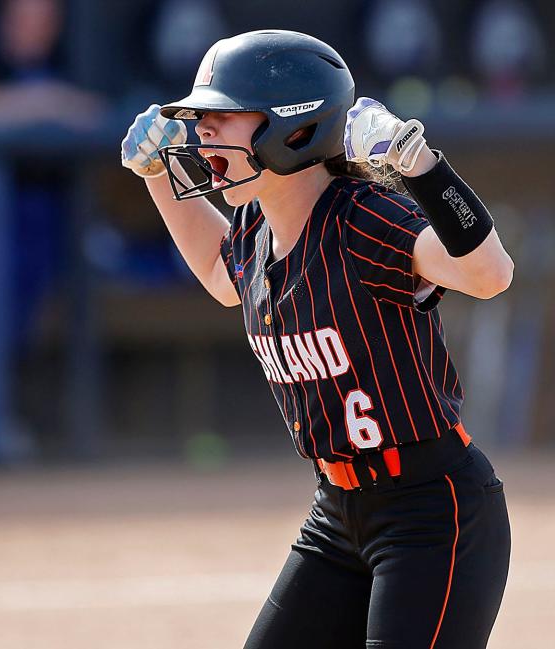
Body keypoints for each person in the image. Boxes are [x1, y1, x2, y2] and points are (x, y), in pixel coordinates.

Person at [121, 30, 512, 649]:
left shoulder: (364, 218)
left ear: (292, 127)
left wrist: (420, 165)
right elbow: (225, 279)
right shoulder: (254, 226)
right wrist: (155, 179)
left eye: (222, 117)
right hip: (336, 515)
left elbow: (490, 275)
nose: (201, 136)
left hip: (434, 515)